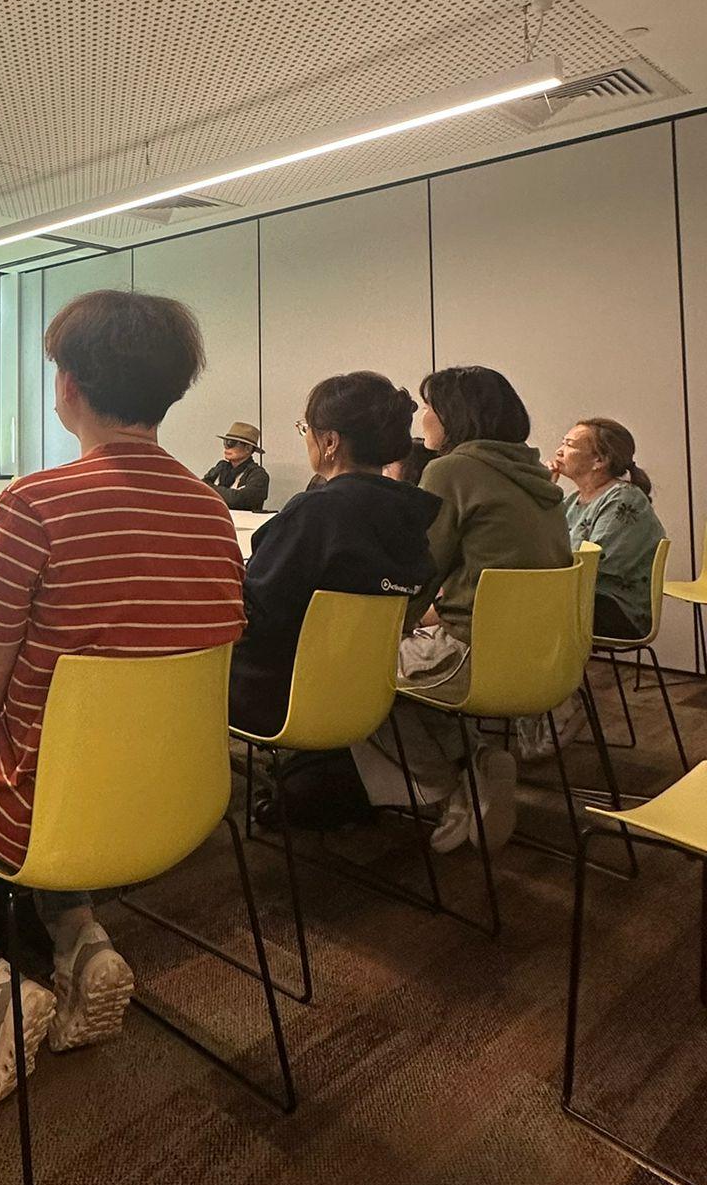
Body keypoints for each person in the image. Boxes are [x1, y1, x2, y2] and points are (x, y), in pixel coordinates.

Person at [0, 290, 246, 1118]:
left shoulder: (35, 505)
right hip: (176, 801)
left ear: (68, 385)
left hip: (41, 807)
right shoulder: (214, 513)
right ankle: (79, 938)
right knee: (30, 762)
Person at [350, 364, 571, 852]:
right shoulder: (532, 471)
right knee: (400, 668)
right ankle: (474, 763)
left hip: (477, 657)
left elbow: (418, 569)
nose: (422, 417)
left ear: (454, 414)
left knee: (353, 674)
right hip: (542, 658)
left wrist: (380, 633)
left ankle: (449, 787)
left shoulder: (453, 469)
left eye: (428, 407)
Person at [230, 374, 441, 742]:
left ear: (330, 441)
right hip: (366, 695)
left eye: (306, 429)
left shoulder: (316, 514)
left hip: (274, 697)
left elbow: (251, 615)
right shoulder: (412, 516)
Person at [551, 417, 668, 639]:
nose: (559, 451)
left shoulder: (624, 498)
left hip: (618, 608)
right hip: (581, 597)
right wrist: (546, 491)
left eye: (569, 444)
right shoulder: (572, 500)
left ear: (600, 460)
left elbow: (590, 563)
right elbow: (547, 545)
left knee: (522, 608)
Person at [203, 422, 271, 511]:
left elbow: (237, 500)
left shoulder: (258, 475)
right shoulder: (221, 467)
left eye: (231, 443)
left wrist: (209, 488)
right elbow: (199, 488)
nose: (227, 447)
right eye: (225, 442)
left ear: (248, 448)